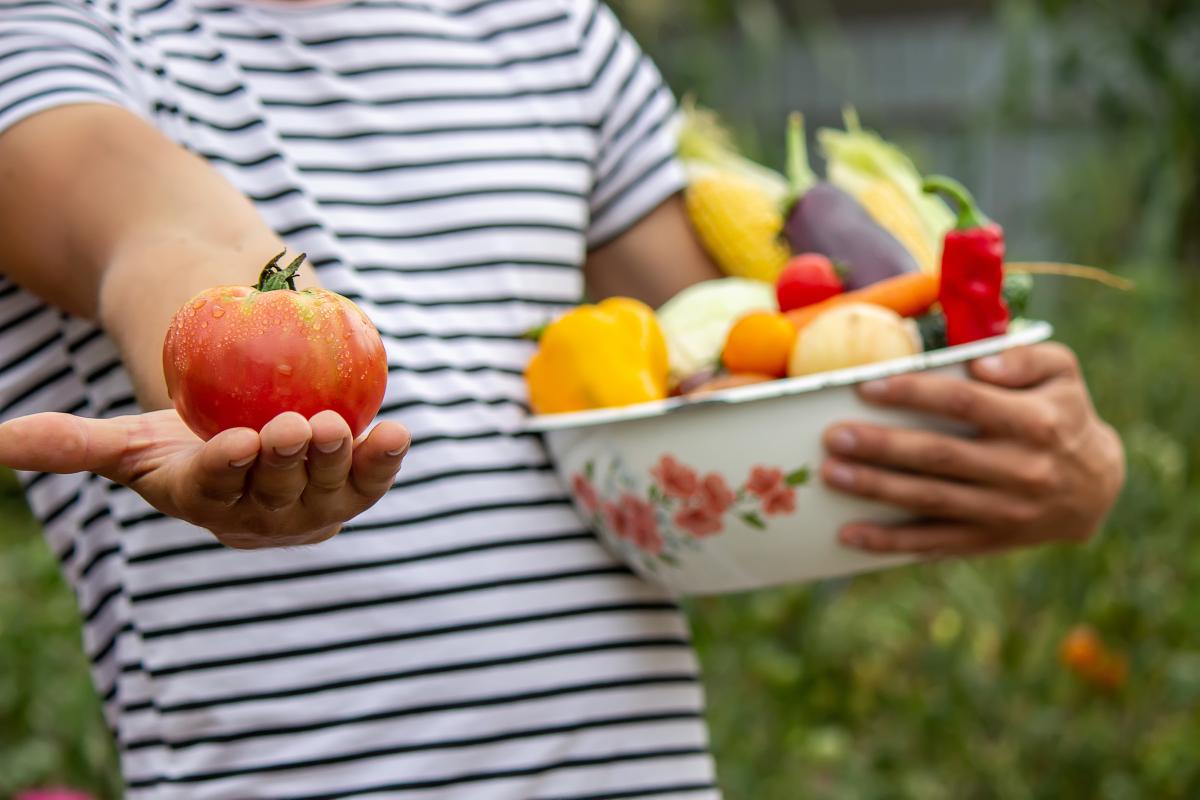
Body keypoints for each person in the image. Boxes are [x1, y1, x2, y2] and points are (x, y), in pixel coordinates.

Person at [0, 0, 1125, 796]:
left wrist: (1037, 457)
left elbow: (742, 381)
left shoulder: (547, 25)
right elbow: (159, 226)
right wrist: (249, 354)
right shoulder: (52, 29)